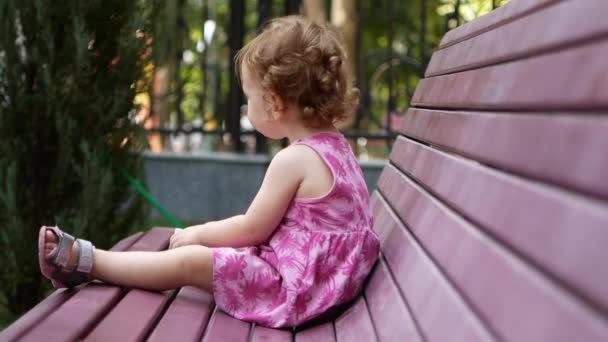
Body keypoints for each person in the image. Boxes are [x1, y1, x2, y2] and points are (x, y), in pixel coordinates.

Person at [38, 15, 380, 328]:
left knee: (191, 261)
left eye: (249, 97)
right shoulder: (337, 147)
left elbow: (252, 228)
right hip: (324, 285)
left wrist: (197, 234)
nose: (246, 107)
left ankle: (91, 262)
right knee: (212, 258)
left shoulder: (293, 160)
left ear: (275, 103)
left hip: (296, 292)